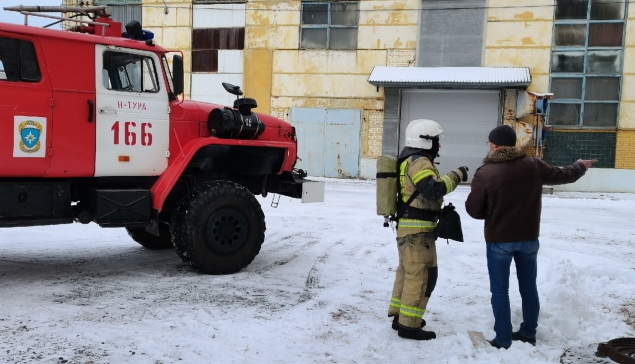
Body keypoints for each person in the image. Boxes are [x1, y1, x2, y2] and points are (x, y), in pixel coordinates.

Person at [465, 124, 597, 349]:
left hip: (499, 240)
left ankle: (503, 338)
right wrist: (580, 166)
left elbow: (474, 210)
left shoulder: (485, 172)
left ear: (495, 145)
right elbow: (563, 175)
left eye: (489, 143)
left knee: (499, 290)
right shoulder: (533, 165)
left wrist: (493, 211)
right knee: (528, 287)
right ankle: (528, 333)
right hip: (528, 239)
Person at [388, 119, 469, 340]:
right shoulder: (420, 162)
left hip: (408, 230)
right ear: (426, 141)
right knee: (422, 277)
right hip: (418, 234)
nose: (439, 146)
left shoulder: (407, 160)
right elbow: (434, 190)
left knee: (407, 273)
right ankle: (409, 325)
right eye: (436, 141)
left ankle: (401, 317)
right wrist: (458, 175)